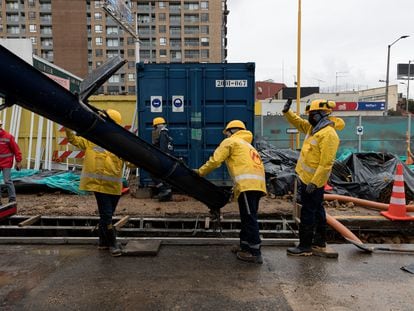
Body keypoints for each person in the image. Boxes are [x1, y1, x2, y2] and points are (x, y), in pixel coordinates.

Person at [194, 120, 267, 264]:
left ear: (232, 131)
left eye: (227, 133)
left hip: (247, 185)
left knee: (250, 218)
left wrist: (200, 172)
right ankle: (245, 246)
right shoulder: (248, 145)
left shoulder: (231, 142)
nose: (226, 136)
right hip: (257, 186)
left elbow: (215, 161)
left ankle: (254, 252)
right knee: (247, 217)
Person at [282, 98, 345, 258]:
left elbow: (326, 163)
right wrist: (287, 112)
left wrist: (315, 183)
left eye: (311, 114)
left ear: (319, 115)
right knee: (317, 209)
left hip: (313, 181)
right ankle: (318, 242)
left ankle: (305, 246)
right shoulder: (314, 129)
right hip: (307, 178)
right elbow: (299, 123)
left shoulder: (329, 134)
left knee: (308, 212)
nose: (309, 117)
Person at [65, 109, 125, 257]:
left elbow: (130, 162)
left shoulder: (121, 143)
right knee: (107, 216)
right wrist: (67, 126)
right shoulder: (92, 139)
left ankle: (102, 243)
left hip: (114, 186)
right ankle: (113, 244)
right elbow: (74, 140)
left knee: (107, 215)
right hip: (98, 185)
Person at [151, 117, 174, 202]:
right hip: (167, 159)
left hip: (164, 159)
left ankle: (165, 191)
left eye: (154, 127)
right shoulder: (165, 133)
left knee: (154, 173)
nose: (154, 129)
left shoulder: (163, 133)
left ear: (157, 126)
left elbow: (163, 148)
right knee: (163, 175)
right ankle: (166, 192)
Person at [0, 119, 22, 204]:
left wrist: (18, 161)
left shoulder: (8, 137)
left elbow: (16, 150)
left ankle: (12, 199)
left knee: (7, 180)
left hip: (6, 163)